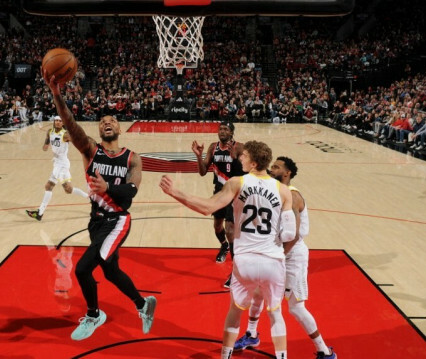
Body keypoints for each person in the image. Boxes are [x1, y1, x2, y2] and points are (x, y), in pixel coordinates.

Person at [43, 72, 156, 341]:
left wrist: (108, 188)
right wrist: (57, 93)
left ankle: (94, 315)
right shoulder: (91, 152)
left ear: (119, 128)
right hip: (95, 221)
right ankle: (143, 305)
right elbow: (69, 123)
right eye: (103, 121)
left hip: (117, 221)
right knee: (111, 270)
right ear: (98, 131)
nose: (107, 123)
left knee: (82, 269)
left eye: (112, 120)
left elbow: (130, 193)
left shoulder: (133, 158)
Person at [160, 140, 296, 359]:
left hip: (245, 262)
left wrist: (176, 193)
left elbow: (207, 208)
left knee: (235, 311)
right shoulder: (283, 190)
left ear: (252, 162)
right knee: (275, 314)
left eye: (243, 156)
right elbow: (289, 235)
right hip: (273, 260)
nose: (239, 158)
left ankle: (225, 355)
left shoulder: (237, 182)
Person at [234, 156, 336, 359]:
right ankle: (252, 334)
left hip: (292, 256)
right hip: (277, 252)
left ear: (287, 173)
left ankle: (324, 351)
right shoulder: (275, 191)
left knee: (296, 308)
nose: (272, 169)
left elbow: (295, 234)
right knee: (257, 293)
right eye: (272, 165)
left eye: (277, 167)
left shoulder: (293, 195)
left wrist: (277, 256)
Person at [191, 122, 244, 273]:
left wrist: (235, 158)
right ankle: (224, 246)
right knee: (217, 226)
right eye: (220, 129)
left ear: (232, 132)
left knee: (230, 229)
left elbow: (246, 171)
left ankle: (236, 267)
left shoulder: (239, 147)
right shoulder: (213, 147)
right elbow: (202, 172)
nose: (222, 131)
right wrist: (198, 156)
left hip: (234, 192)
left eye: (226, 129)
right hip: (219, 191)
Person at [25, 116, 88, 221]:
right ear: (53, 122)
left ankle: (92, 199)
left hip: (62, 164)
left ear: (62, 123)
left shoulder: (65, 134)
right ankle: (40, 213)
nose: (58, 122)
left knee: (67, 189)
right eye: (56, 120)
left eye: (60, 121)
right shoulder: (50, 132)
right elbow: (45, 146)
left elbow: (78, 140)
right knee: (50, 186)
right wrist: (45, 146)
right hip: (56, 163)